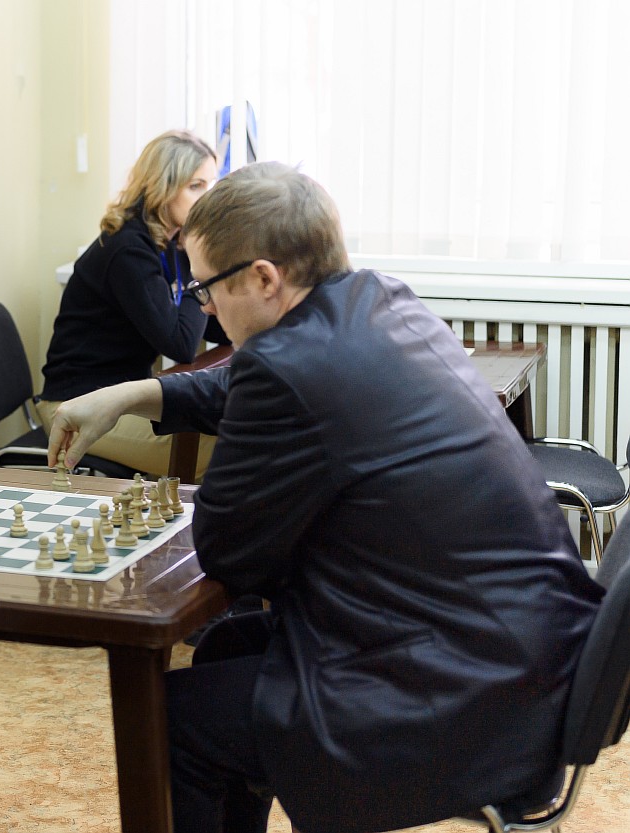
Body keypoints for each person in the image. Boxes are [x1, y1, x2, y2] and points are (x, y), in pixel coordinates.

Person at [46, 162, 603, 833]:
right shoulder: (382, 302)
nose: (204, 307)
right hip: (526, 662)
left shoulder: (285, 366)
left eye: (205, 287)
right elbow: (255, 384)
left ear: (263, 278)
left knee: (166, 720)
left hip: (467, 702)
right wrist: (135, 394)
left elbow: (227, 553)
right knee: (226, 647)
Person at [37, 129, 228, 478]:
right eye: (196, 186)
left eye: (211, 185)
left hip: (121, 396)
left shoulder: (165, 242)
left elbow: (209, 322)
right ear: (162, 186)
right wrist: (197, 264)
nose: (208, 198)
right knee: (225, 448)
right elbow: (181, 343)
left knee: (230, 426)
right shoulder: (128, 248)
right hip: (76, 405)